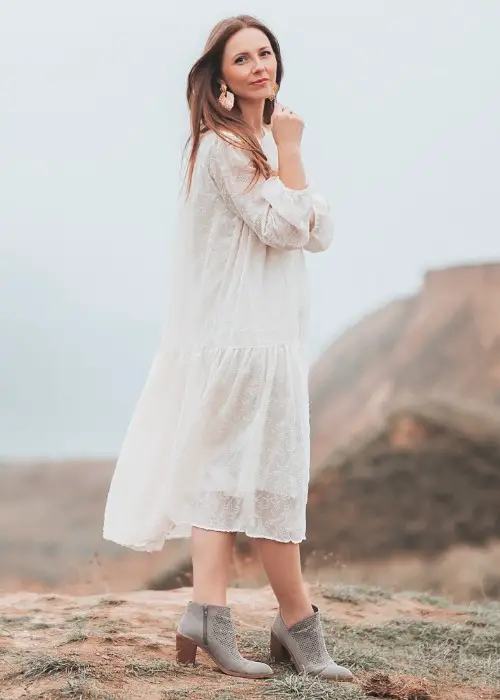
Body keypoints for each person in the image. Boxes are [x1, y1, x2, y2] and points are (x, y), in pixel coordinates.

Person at [102, 14, 353, 683]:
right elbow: (287, 223)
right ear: (219, 79)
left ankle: (211, 614)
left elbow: (321, 232)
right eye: (242, 59)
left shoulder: (259, 139)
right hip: (243, 342)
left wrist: (285, 148)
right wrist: (294, 152)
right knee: (265, 480)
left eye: (265, 53)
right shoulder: (224, 147)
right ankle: (297, 626)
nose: (259, 66)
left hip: (265, 340)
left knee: (233, 481)